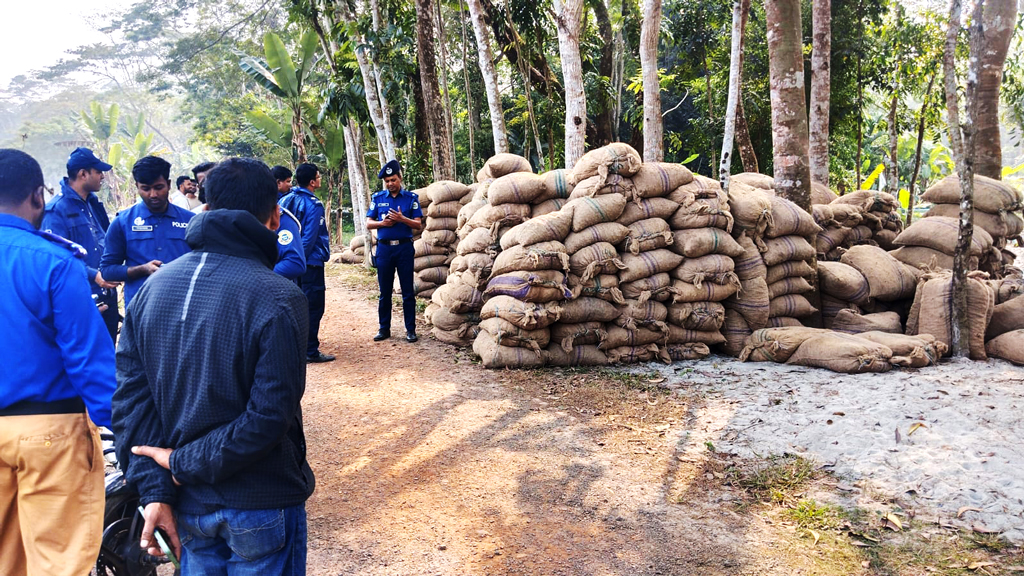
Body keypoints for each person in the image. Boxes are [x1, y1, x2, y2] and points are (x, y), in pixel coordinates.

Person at [111, 158, 315, 575]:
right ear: (275, 217)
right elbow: (267, 418)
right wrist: (178, 468)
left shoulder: (151, 290)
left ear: (204, 208)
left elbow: (132, 403)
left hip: (190, 510)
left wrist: (156, 491)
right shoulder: (279, 296)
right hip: (262, 500)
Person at [0, 149, 116, 576]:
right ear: (37, 196)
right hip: (49, 432)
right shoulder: (53, 260)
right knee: (57, 563)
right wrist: (125, 427)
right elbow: (88, 360)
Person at [41, 146, 121, 341]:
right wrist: (94, 276)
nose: (102, 176)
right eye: (98, 171)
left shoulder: (93, 204)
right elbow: (58, 257)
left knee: (109, 354)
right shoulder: (56, 211)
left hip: (107, 293)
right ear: (83, 174)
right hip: (82, 298)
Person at [100, 156, 194, 308]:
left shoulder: (191, 221)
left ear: (169, 184)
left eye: (158, 187)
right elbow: (107, 270)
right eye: (145, 188)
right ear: (137, 186)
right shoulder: (123, 222)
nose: (153, 195)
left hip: (183, 306)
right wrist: (142, 270)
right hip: (140, 308)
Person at [280, 163, 334, 362]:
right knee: (313, 306)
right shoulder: (313, 204)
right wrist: (299, 260)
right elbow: (309, 238)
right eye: (318, 177)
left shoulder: (285, 200)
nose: (320, 179)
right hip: (309, 263)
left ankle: (294, 347)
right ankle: (310, 350)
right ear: (312, 182)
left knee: (293, 305)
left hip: (289, 263)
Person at [366, 159, 422, 342]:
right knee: (385, 292)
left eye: (393, 180)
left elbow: (418, 224)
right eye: (387, 181)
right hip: (384, 250)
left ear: (400, 179)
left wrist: (401, 218)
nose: (390, 184)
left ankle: (410, 330)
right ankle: (384, 329)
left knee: (407, 292)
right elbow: (368, 223)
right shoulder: (378, 198)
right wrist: (383, 223)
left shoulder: (411, 199)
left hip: (404, 248)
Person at [269, 165, 305, 280]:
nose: (290, 185)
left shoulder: (281, 213)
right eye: (288, 181)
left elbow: (295, 262)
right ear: (278, 183)